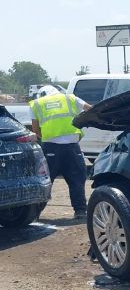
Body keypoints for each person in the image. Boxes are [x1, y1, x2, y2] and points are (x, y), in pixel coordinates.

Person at [29, 85, 91, 219]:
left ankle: (34, 214)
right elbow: (89, 109)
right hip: (73, 147)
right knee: (77, 180)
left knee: (45, 180)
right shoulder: (70, 98)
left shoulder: (36, 104)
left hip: (51, 147)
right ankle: (80, 211)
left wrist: (46, 137)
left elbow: (35, 128)